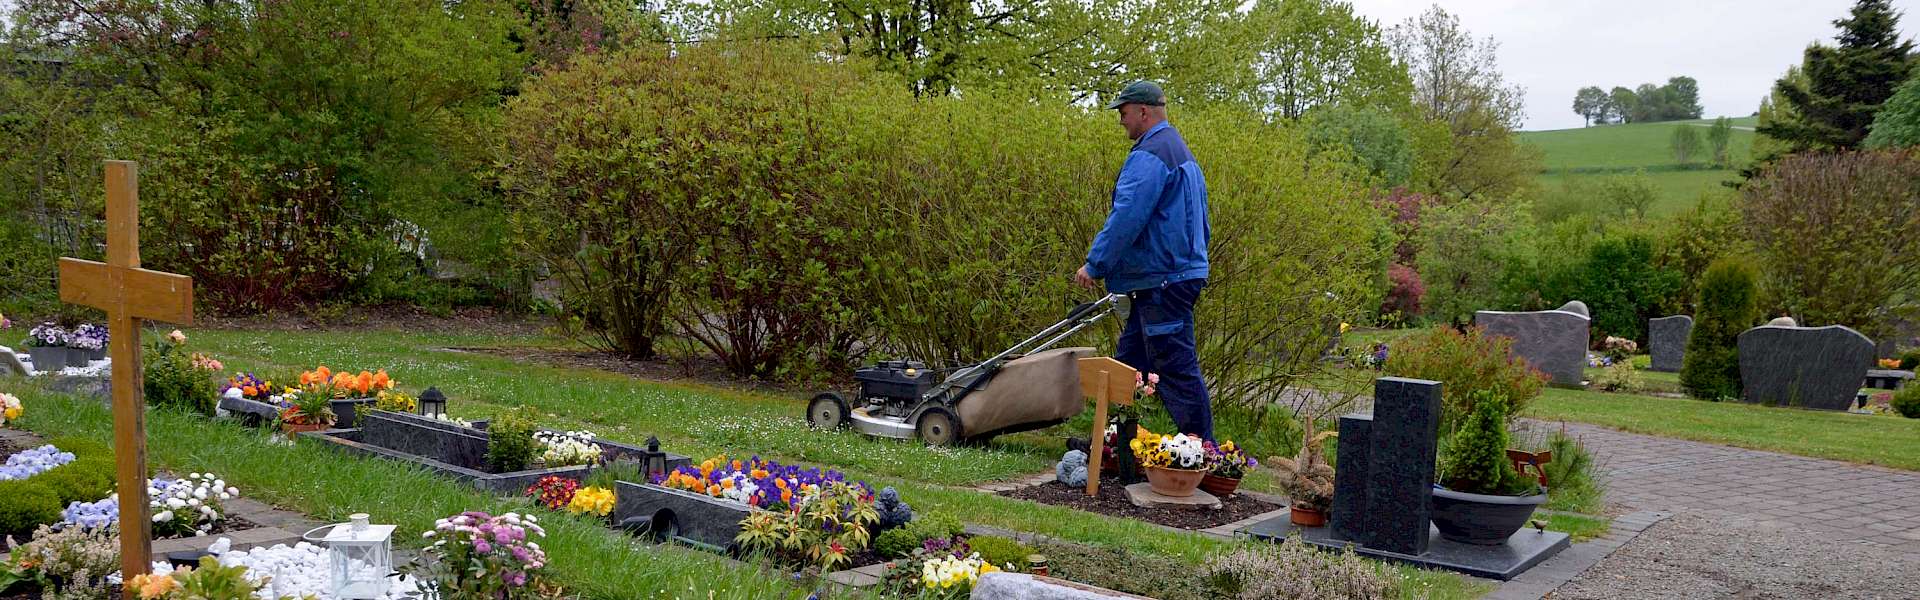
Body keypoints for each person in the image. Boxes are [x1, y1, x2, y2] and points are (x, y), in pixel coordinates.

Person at [1073, 81, 1214, 441]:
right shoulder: (1181, 153)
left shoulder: (1151, 154)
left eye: (1123, 113)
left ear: (1143, 112)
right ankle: (1115, 446)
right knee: (1129, 367)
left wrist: (1096, 264)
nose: (1121, 121)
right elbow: (1203, 223)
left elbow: (1127, 217)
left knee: (1174, 367)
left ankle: (1204, 454)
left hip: (1163, 280)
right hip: (1169, 276)